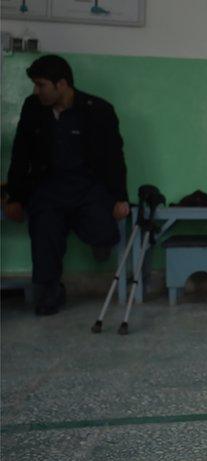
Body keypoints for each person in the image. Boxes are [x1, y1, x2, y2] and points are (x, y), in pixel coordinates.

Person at [4, 55, 129, 316]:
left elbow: (114, 157)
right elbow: (21, 154)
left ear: (61, 84)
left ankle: (100, 240)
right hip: (48, 188)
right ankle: (50, 292)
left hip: (88, 187)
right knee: (44, 229)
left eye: (41, 85)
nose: (36, 91)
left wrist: (120, 198)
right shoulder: (33, 108)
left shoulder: (98, 110)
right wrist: (14, 197)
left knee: (104, 229)